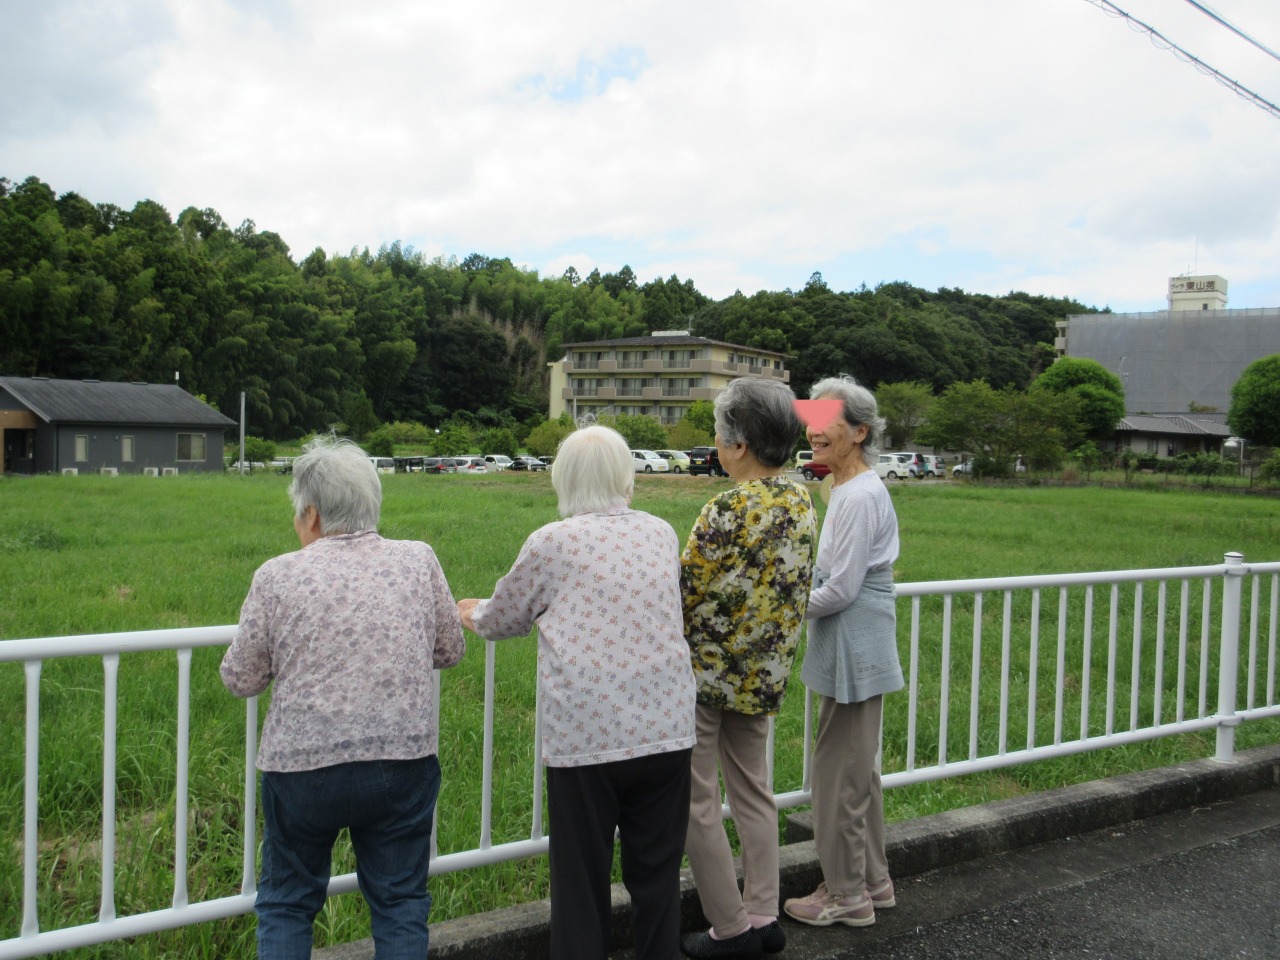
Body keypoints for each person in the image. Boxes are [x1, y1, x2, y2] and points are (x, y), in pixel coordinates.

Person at [456, 424, 696, 960]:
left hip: (588, 733)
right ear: (626, 476)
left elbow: (504, 618)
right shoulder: (659, 531)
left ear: (562, 480)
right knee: (658, 874)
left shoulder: (553, 541)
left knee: (580, 878)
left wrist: (471, 613)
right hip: (667, 725)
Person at [220, 436, 465, 960]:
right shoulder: (418, 560)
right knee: (401, 902)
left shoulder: (277, 575)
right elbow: (450, 648)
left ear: (310, 514)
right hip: (402, 761)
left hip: (302, 767)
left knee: (287, 901)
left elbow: (241, 678)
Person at [680, 378, 817, 959]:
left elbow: (684, 587)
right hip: (764, 674)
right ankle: (765, 912)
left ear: (737, 445)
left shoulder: (727, 506)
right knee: (755, 791)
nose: (715, 441)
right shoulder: (801, 499)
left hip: (705, 674)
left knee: (695, 798)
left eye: (719, 432)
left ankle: (730, 926)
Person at [782, 375, 903, 930]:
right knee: (857, 773)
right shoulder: (853, 489)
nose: (814, 431)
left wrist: (778, 605)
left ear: (858, 431)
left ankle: (846, 895)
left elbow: (839, 590)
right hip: (856, 643)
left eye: (825, 419)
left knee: (838, 780)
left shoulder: (857, 496)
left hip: (853, 643)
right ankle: (872, 881)